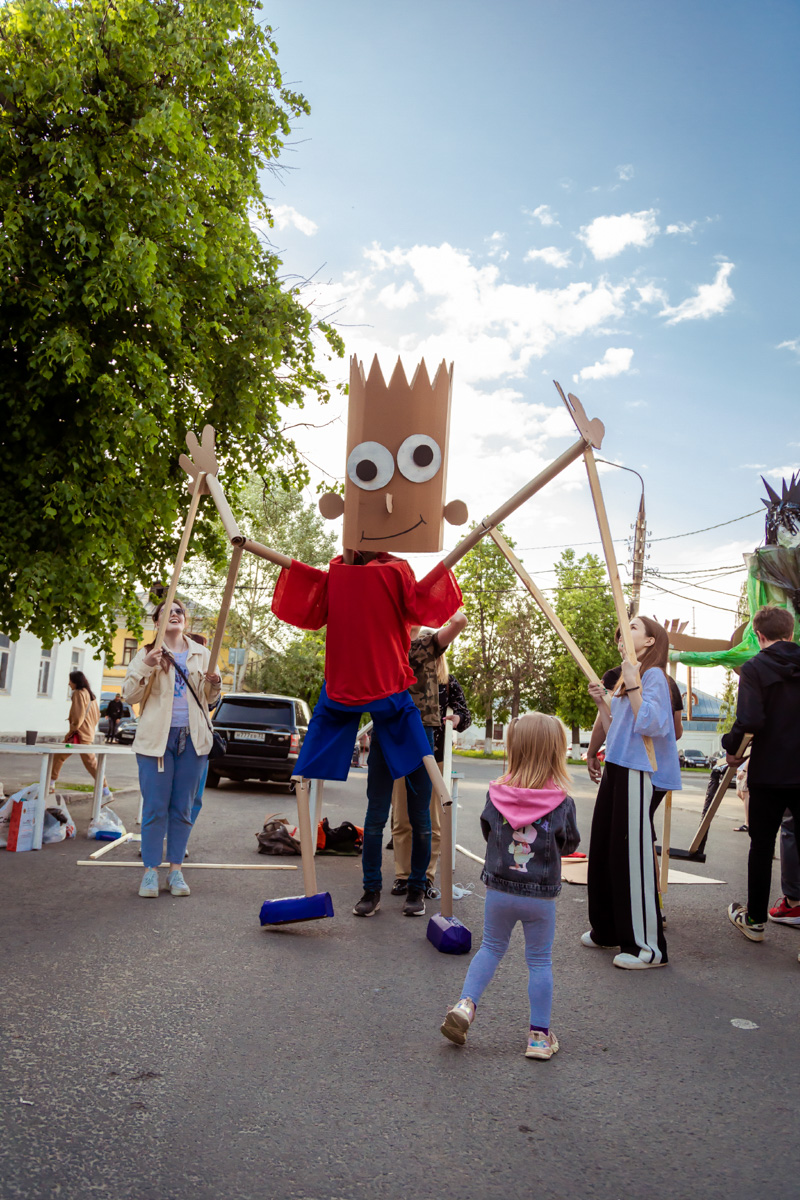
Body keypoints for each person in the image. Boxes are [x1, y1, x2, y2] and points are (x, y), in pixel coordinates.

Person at [439, 713, 579, 1060]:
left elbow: (489, 833)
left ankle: (465, 1005)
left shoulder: (496, 794)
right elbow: (569, 843)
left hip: (500, 892)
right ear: (555, 751)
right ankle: (539, 1038)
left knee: (491, 948)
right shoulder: (562, 801)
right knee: (539, 961)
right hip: (541, 896)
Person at [583, 616, 680, 969]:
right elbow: (620, 730)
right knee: (606, 849)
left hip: (641, 772)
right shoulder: (627, 678)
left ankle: (647, 948)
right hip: (619, 765)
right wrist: (601, 704)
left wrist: (635, 684)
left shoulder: (653, 677)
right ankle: (607, 930)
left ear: (652, 642)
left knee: (631, 856)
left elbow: (653, 724)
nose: (624, 633)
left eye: (634, 627)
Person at [360, 611, 467, 918]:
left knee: (421, 817)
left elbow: (459, 623)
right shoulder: (381, 645)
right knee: (376, 815)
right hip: (386, 731)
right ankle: (371, 890)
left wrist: (433, 603)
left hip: (422, 732)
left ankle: (417, 889)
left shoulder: (427, 645)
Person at [123, 600, 220, 899]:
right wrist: (146, 665)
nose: (174, 614)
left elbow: (209, 699)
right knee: (154, 807)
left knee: (183, 808)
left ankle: (175, 870)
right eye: (167, 611)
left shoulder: (202, 653)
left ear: (185, 620)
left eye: (179, 611)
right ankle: (150, 871)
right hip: (156, 741)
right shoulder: (146, 653)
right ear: (157, 622)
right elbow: (129, 696)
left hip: (193, 741)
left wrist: (215, 684)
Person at [722, 605, 800, 949]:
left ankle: (754, 920)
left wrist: (732, 749)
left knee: (761, 846)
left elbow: (750, 719)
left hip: (770, 772)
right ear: (792, 633)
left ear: (758, 635)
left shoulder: (755, 668)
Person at [391, 643, 471, 900]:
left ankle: (426, 876)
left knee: (433, 821)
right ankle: (403, 876)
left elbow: (464, 713)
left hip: (435, 759)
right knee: (402, 820)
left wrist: (457, 718)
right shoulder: (401, 677)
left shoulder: (448, 683)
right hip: (404, 757)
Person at [50, 671, 110, 798]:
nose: (68, 683)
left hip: (79, 735)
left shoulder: (78, 693)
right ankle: (105, 790)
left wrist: (71, 732)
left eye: (70, 681)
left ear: (75, 681)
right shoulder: (90, 695)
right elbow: (96, 716)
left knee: (59, 757)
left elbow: (78, 717)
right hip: (88, 734)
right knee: (90, 763)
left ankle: (50, 785)